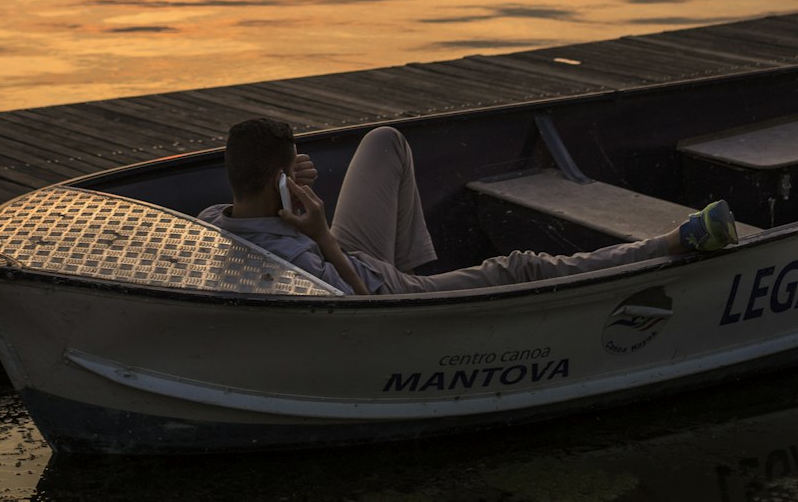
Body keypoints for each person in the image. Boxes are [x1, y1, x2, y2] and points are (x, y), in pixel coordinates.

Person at [198, 117, 739, 297]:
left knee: (386, 141)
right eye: (292, 168)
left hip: (339, 248)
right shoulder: (304, 261)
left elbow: (254, 203)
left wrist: (289, 184)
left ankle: (418, 270)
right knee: (521, 266)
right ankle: (673, 242)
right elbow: (363, 315)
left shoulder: (209, 222)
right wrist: (322, 236)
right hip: (375, 290)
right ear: (277, 179)